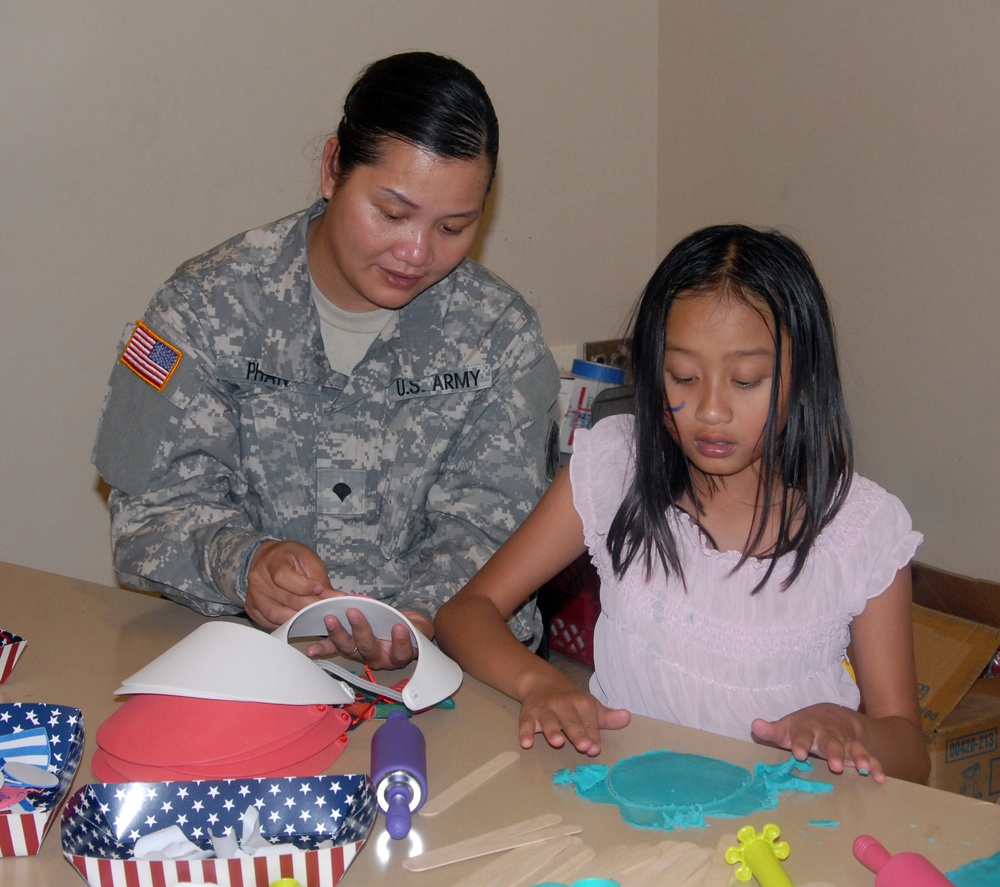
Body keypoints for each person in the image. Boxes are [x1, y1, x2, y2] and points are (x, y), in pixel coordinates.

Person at [92, 52, 560, 669]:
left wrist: (419, 619)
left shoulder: (500, 337)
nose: (416, 251)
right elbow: (147, 518)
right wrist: (245, 563)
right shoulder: (204, 307)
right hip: (248, 670)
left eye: (453, 227)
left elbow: (499, 529)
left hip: (443, 674)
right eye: (392, 213)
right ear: (333, 169)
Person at [436, 224, 931, 784]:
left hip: (791, 834)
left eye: (746, 380)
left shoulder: (861, 530)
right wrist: (539, 682)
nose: (710, 410)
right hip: (633, 813)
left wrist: (854, 729)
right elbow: (464, 613)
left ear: (804, 378)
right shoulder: (616, 471)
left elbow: (911, 752)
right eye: (683, 376)